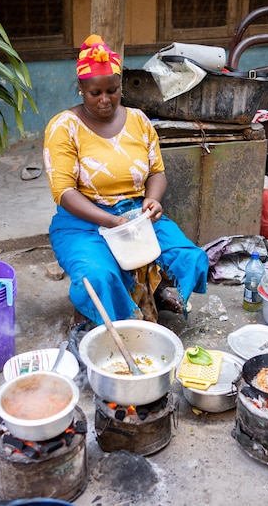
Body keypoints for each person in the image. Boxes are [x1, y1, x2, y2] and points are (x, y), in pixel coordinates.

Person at [43, 35, 209, 327]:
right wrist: (111, 222)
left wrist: (153, 200)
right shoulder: (64, 127)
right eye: (95, 93)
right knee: (98, 276)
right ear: (81, 89)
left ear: (121, 87)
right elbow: (64, 191)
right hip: (84, 222)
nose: (105, 99)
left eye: (113, 90)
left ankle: (153, 291)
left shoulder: (139, 121)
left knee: (187, 257)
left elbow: (157, 171)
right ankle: (100, 312)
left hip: (135, 215)